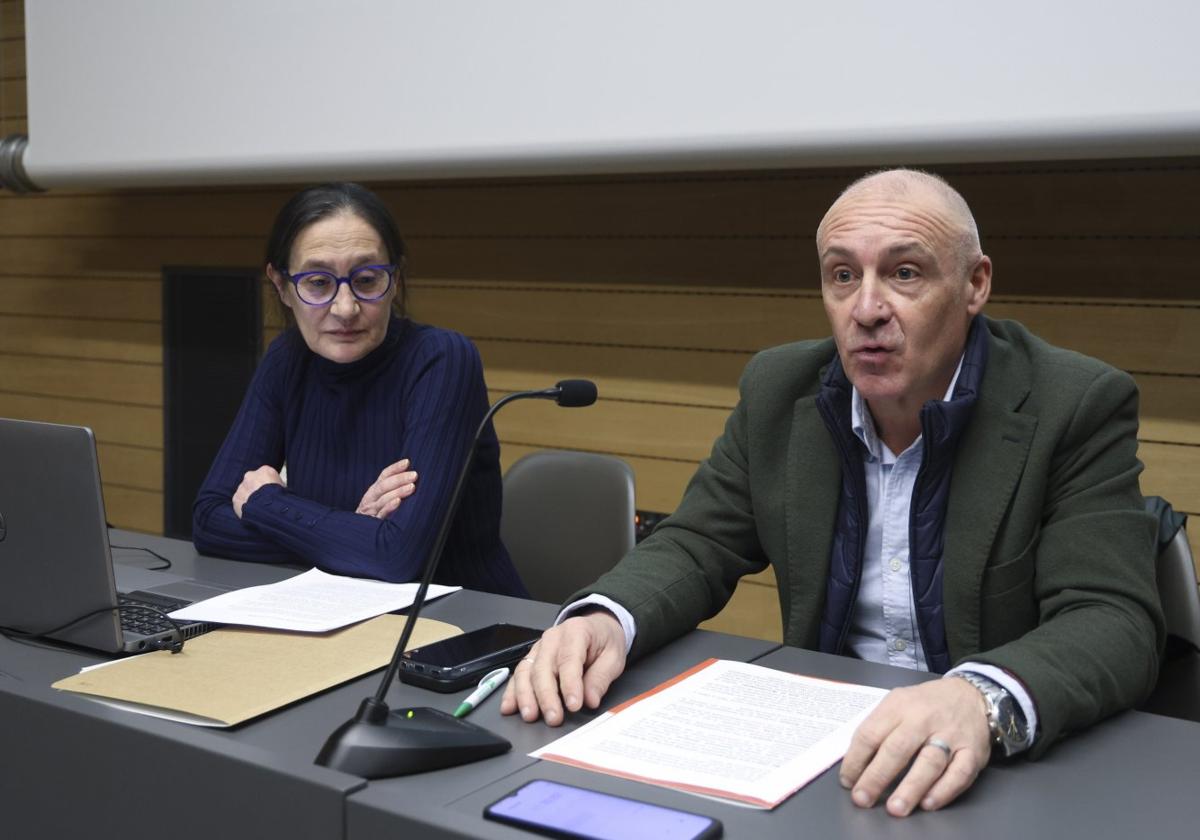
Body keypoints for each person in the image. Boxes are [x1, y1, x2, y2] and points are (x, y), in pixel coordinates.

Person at [501, 169, 1164, 815]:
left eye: (905, 273)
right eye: (843, 275)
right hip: (822, 757)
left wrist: (975, 697)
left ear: (974, 284)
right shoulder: (780, 388)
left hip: (991, 768)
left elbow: (1111, 616)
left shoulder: (1071, 403)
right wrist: (606, 617)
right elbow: (699, 542)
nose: (867, 309)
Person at [193, 182, 526, 597]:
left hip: (464, 624)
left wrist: (265, 504)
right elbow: (208, 520)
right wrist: (352, 532)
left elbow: (398, 556)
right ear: (281, 286)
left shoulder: (442, 360)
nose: (345, 308)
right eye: (317, 283)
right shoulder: (286, 360)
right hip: (339, 615)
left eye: (367, 280)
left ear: (396, 279)